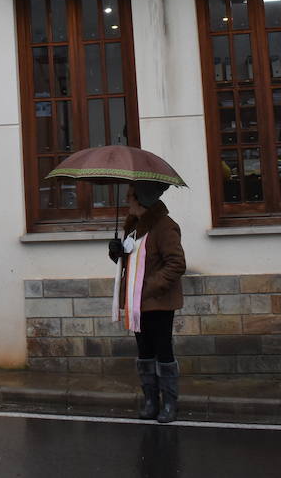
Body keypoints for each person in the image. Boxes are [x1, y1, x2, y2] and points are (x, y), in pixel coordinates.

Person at [109, 181, 186, 424]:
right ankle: (151, 401)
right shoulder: (133, 226)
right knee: (144, 352)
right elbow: (131, 260)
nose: (127, 201)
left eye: (130, 197)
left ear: (141, 199)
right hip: (137, 302)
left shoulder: (165, 227)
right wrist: (116, 252)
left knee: (163, 352)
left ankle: (169, 404)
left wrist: (149, 286)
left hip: (159, 302)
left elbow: (176, 264)